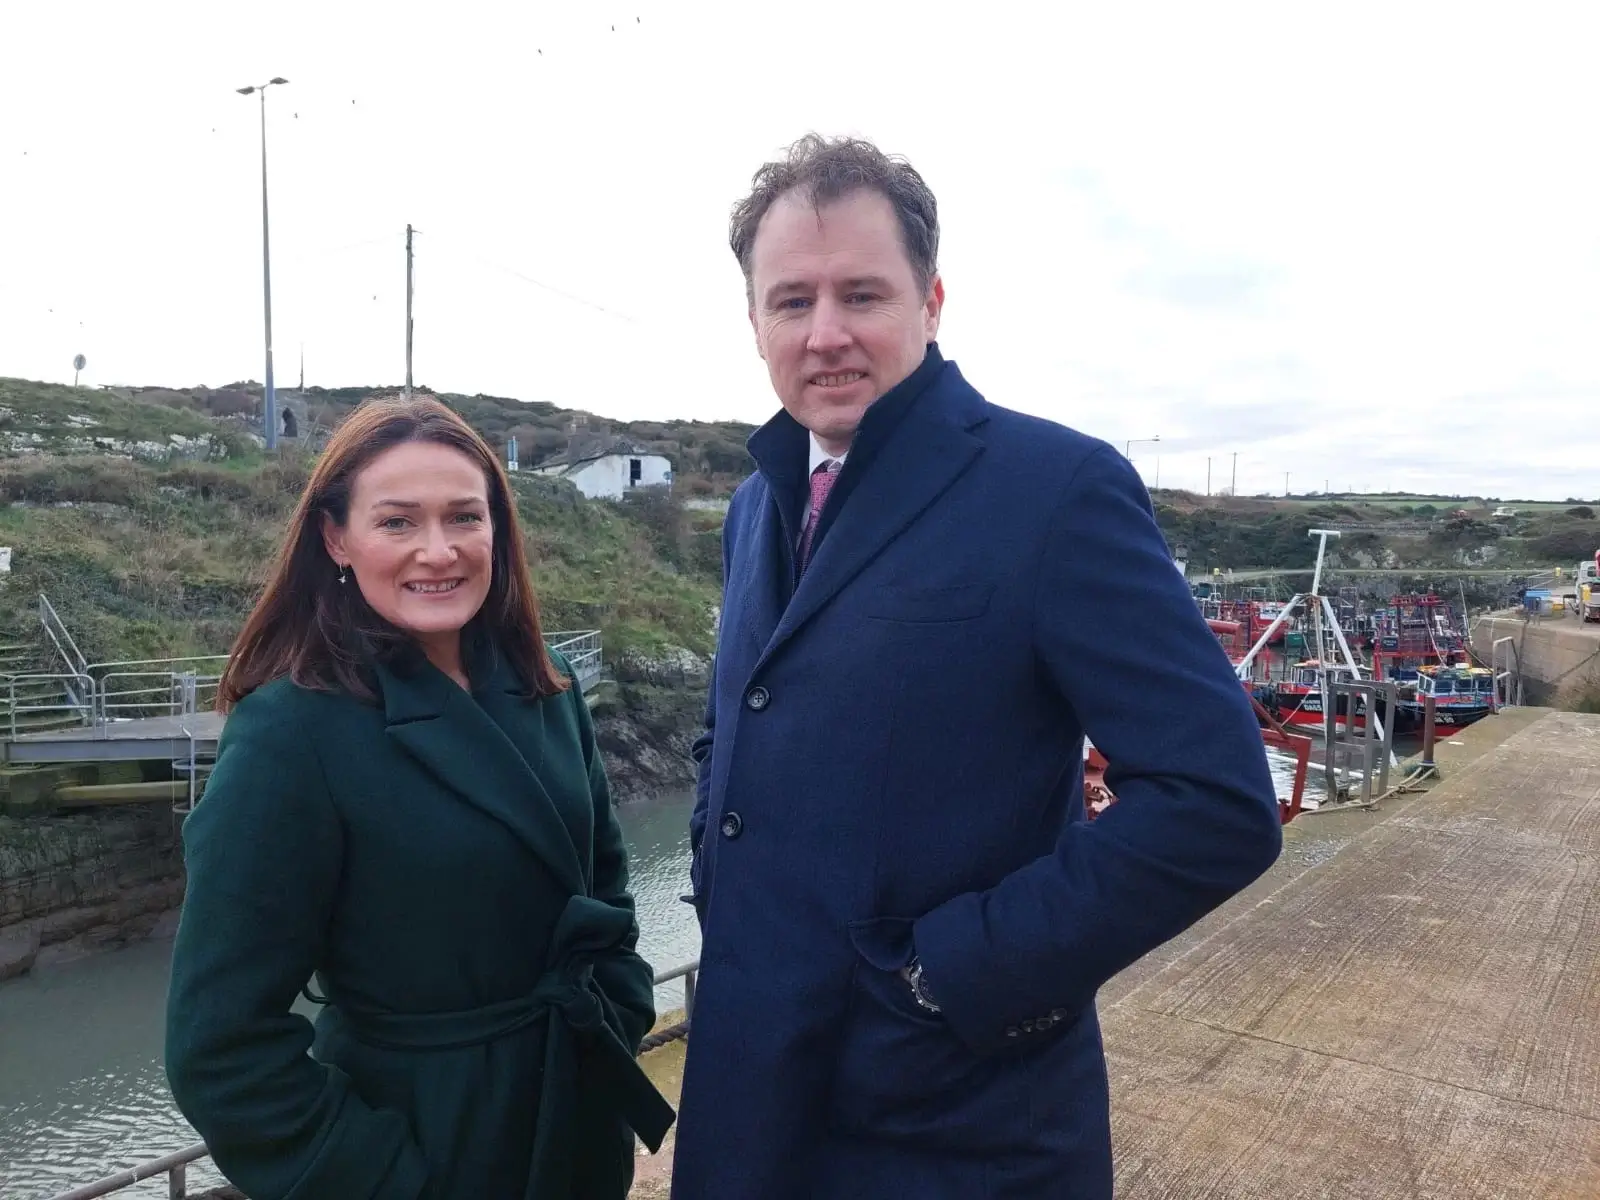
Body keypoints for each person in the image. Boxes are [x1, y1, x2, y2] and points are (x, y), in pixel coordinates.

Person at [672, 134, 1284, 1199]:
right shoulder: (753, 501)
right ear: (755, 320)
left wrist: (954, 977)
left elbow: (1215, 801)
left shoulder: (1055, 489)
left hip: (953, 1116)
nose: (825, 335)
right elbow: (744, 718)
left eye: (861, 294)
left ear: (931, 300)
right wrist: (713, 867)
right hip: (750, 1087)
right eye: (791, 301)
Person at [164, 396, 674, 1200]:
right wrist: (382, 1180)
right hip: (427, 1144)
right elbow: (219, 1047)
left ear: (497, 532)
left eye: (463, 517)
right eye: (398, 522)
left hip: (576, 1127)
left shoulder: (548, 688)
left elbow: (604, 887)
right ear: (337, 537)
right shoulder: (290, 734)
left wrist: (617, 1005)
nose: (437, 552)